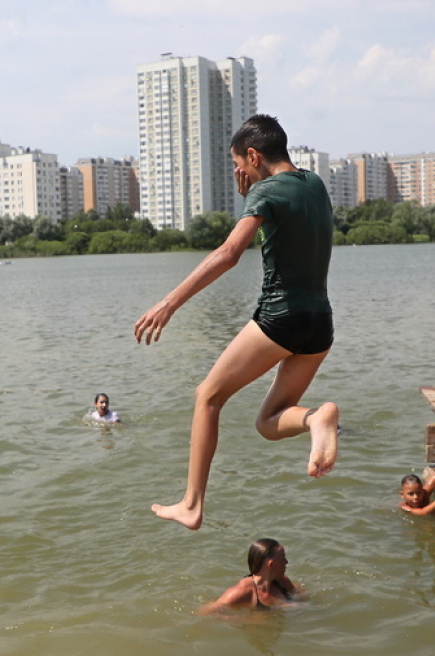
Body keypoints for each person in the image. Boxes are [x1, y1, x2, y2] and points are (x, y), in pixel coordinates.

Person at [134, 114, 340, 531]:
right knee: (268, 422)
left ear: (253, 155)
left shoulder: (265, 191)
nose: (237, 173)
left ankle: (191, 504)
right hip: (320, 323)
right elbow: (287, 213)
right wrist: (253, 192)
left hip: (280, 317)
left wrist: (169, 303)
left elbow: (229, 253)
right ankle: (316, 417)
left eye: (239, 164)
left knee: (208, 397)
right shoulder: (315, 183)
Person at [199, 538, 301, 613]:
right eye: (283, 558)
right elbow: (204, 612)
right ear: (271, 564)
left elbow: (302, 595)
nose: (286, 562)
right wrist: (247, 622)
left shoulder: (283, 582)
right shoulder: (242, 592)